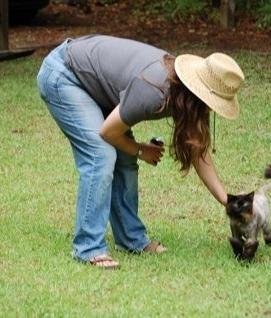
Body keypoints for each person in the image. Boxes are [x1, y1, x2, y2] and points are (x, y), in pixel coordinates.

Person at [37, 35, 245, 269]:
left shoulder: (185, 95)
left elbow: (197, 151)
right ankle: (88, 248)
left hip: (91, 81)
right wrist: (140, 150)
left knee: (123, 158)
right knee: (101, 155)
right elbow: (108, 133)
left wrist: (228, 201)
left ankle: (131, 240)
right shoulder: (155, 90)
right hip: (64, 75)